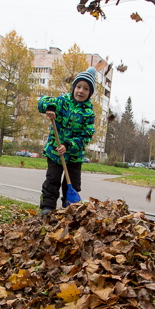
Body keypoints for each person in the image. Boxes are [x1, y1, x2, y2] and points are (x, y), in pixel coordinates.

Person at [37, 67, 97, 215]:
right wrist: (50, 107)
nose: (81, 91)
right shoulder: (62, 101)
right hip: (55, 151)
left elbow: (86, 136)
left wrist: (68, 145)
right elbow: (42, 101)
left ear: (90, 93)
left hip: (74, 156)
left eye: (86, 89)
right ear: (73, 87)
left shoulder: (88, 113)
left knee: (72, 184)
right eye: (78, 87)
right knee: (52, 180)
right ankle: (48, 208)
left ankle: (69, 209)